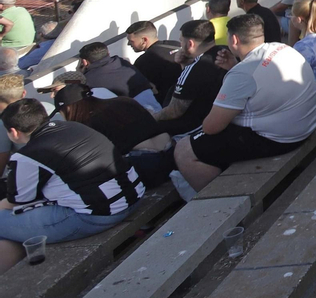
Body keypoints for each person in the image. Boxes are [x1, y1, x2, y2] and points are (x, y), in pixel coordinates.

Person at [172, 14, 316, 198]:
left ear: (234, 39)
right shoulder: (282, 48)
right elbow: (261, 80)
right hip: (305, 125)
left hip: (281, 139)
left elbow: (211, 127)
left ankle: (222, 202)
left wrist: (235, 73)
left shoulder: (242, 74)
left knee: (184, 149)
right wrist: (235, 66)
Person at [0, 99, 144, 272]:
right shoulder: (75, 127)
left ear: (14, 133)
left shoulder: (27, 155)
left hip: (97, 216)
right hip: (134, 196)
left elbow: (18, 201)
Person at [152, 19, 229, 135]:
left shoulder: (196, 68)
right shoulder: (225, 52)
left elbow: (175, 111)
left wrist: (151, 117)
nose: (180, 45)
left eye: (181, 41)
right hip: (220, 116)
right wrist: (184, 64)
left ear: (190, 44)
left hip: (196, 126)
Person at [74, 42, 160, 112]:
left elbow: (72, 88)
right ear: (108, 53)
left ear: (84, 62)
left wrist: (79, 73)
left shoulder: (88, 80)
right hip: (157, 110)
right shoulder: (121, 61)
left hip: (136, 119)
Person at [125, 20, 183, 103]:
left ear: (144, 40)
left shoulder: (143, 61)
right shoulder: (175, 44)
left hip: (167, 103)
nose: (128, 44)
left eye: (131, 41)